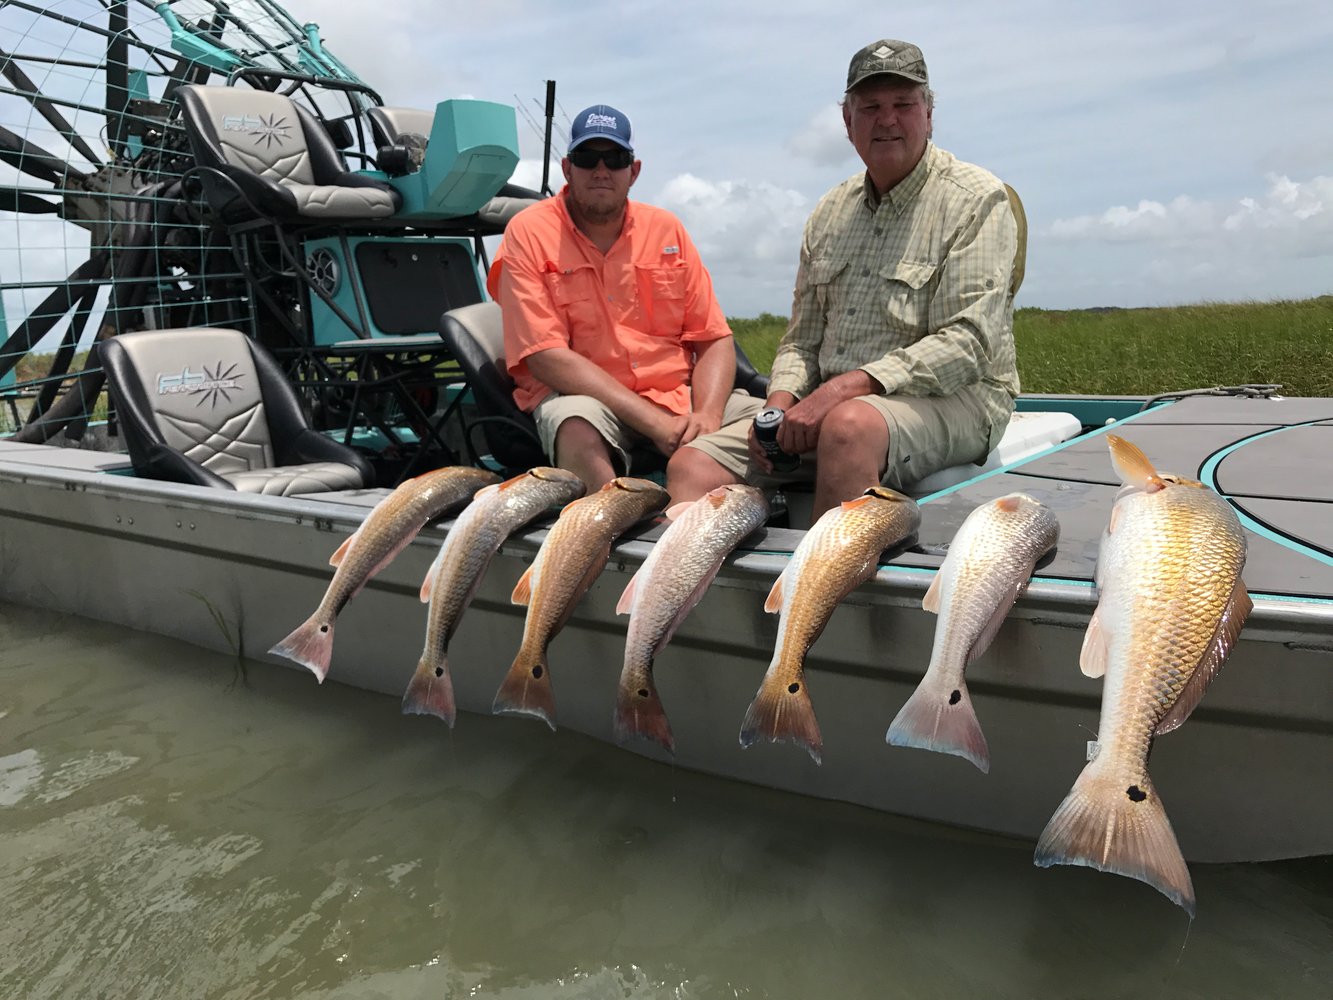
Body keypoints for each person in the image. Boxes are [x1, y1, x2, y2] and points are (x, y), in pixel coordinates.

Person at [667, 39, 1022, 519]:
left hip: (962, 399)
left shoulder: (978, 198)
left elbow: (968, 344)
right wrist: (775, 412)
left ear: (929, 113)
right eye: (870, 107)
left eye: (904, 104)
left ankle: (815, 592)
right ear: (847, 122)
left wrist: (838, 393)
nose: (887, 119)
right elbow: (802, 341)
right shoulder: (829, 210)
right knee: (693, 464)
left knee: (847, 428)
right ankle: (706, 591)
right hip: (841, 406)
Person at [487, 104, 755, 491]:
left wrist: (709, 416)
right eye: (586, 158)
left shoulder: (667, 229)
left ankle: (708, 518)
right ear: (567, 169)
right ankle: (606, 543)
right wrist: (655, 424)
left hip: (677, 398)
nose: (600, 170)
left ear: (634, 170)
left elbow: (713, 337)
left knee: (780, 426)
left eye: (614, 159)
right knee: (576, 428)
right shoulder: (528, 232)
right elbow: (546, 358)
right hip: (585, 401)